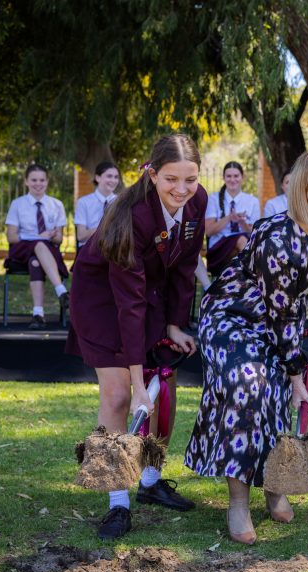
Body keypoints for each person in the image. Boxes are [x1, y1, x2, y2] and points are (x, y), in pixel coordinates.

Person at [184, 150, 308, 545]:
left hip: (276, 323)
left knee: (272, 397)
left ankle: (274, 485)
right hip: (232, 320)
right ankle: (238, 502)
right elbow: (282, 315)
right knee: (249, 387)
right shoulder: (276, 238)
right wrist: (296, 377)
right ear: (298, 193)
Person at [66, 133, 207, 541]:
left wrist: (175, 324)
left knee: (162, 388)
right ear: (151, 173)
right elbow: (128, 305)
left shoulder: (197, 203)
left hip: (151, 297)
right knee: (119, 396)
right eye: (171, 180)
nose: (181, 190)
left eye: (190, 180)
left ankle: (150, 480)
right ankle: (117, 503)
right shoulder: (132, 216)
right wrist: (133, 375)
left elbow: (185, 267)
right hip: (103, 302)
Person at [4, 164, 70, 329]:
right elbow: (11, 237)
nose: (38, 184)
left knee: (36, 262)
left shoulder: (57, 204)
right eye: (34, 180)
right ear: (26, 181)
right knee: (39, 244)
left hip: (48, 251)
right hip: (21, 248)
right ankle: (61, 290)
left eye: (42, 180)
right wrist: (37, 237)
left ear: (47, 182)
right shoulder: (17, 204)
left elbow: (59, 240)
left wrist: (54, 235)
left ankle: (38, 315)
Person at [204, 161, 260, 277]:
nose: (232, 179)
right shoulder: (213, 199)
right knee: (241, 239)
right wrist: (229, 218)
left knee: (244, 240)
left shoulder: (252, 201)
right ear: (223, 178)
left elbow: (253, 232)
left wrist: (241, 221)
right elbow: (208, 231)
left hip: (242, 247)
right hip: (219, 249)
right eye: (228, 176)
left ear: (242, 177)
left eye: (236, 176)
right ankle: (255, 274)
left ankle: (247, 275)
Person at [74, 161, 121, 253]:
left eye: (116, 177)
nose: (113, 180)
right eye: (109, 176)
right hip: (89, 250)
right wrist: (107, 228)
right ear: (97, 178)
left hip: (114, 250)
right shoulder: (83, 202)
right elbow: (81, 236)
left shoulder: (121, 202)